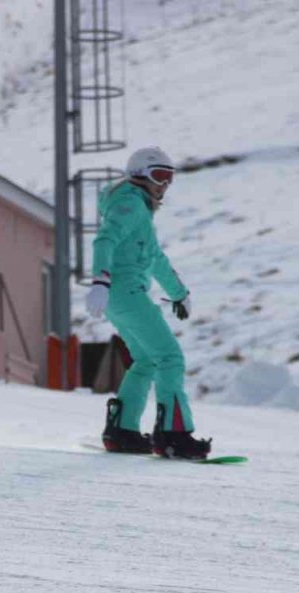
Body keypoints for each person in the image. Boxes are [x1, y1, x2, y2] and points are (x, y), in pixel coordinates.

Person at [85, 145, 212, 459]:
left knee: (147, 361)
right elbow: (105, 239)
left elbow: (155, 258)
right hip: (124, 291)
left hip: (121, 296)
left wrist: (179, 293)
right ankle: (173, 435)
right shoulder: (130, 202)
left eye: (170, 177)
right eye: (159, 175)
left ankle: (122, 431)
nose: (164, 184)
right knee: (170, 358)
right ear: (139, 175)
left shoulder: (139, 210)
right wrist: (99, 280)